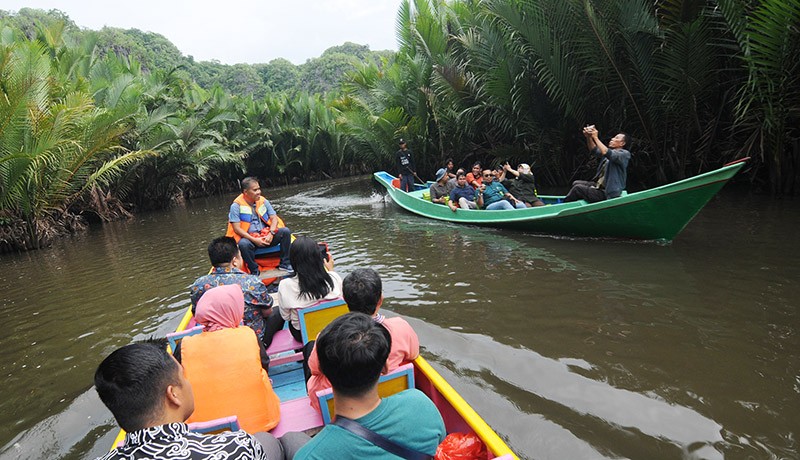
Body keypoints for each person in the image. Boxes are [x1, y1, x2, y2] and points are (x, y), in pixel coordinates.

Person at [94, 340, 309, 460]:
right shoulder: (233, 448)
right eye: (183, 376)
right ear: (173, 395)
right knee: (286, 441)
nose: (188, 383)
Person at [294, 313, 445, 460]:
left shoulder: (310, 455)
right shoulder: (421, 405)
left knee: (291, 440)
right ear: (385, 367)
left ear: (324, 372)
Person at [305, 268, 419, 413]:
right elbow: (414, 354)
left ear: (345, 300)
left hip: (336, 407)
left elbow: (316, 369)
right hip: (389, 397)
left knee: (310, 356)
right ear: (380, 300)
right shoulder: (401, 327)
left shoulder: (327, 336)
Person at [176, 285, 282, 434]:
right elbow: (264, 366)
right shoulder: (248, 334)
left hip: (204, 432)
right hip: (261, 423)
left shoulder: (184, 345)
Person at [189, 236, 281, 347]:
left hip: (216, 343)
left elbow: (196, 315)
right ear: (234, 261)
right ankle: (265, 346)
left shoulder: (198, 286)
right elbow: (267, 312)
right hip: (252, 341)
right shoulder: (252, 282)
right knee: (278, 312)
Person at [278, 236, 341, 342]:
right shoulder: (334, 277)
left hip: (303, 335)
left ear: (293, 260)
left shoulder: (285, 285)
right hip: (335, 330)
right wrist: (331, 270)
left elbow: (286, 317)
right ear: (319, 257)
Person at [226, 177, 293, 277]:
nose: (259, 192)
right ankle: (254, 271)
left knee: (286, 232)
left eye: (259, 189)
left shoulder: (263, 200)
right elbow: (237, 228)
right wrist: (254, 240)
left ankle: (285, 264)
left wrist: (271, 233)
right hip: (250, 239)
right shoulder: (236, 206)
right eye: (255, 190)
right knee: (243, 244)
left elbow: (274, 218)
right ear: (245, 192)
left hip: (266, 235)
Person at [564, 126, 631, 203]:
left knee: (577, 188)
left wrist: (595, 137)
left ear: (622, 143)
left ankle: (562, 206)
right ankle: (576, 202)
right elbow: (594, 150)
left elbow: (606, 152)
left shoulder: (624, 154)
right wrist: (589, 137)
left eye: (616, 138)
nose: (612, 139)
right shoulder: (609, 153)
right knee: (576, 183)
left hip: (608, 193)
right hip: (598, 186)